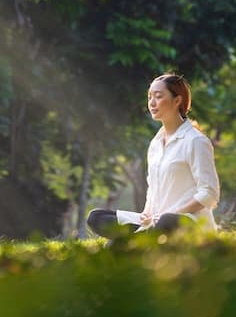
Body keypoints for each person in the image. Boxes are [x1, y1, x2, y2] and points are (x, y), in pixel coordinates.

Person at [87, 72, 220, 239]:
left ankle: (128, 242)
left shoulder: (196, 141)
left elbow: (210, 193)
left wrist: (174, 212)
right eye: (150, 97)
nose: (152, 103)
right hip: (155, 222)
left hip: (185, 221)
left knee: (167, 220)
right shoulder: (156, 143)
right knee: (96, 217)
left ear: (177, 100)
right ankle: (140, 238)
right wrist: (147, 212)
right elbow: (153, 187)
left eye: (158, 96)